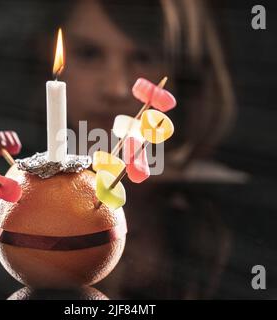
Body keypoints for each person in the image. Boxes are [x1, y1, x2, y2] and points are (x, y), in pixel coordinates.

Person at [34, 0, 238, 299]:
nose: (115, 88)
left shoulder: (229, 212)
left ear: (183, 72)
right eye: (89, 53)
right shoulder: (15, 201)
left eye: (143, 57)